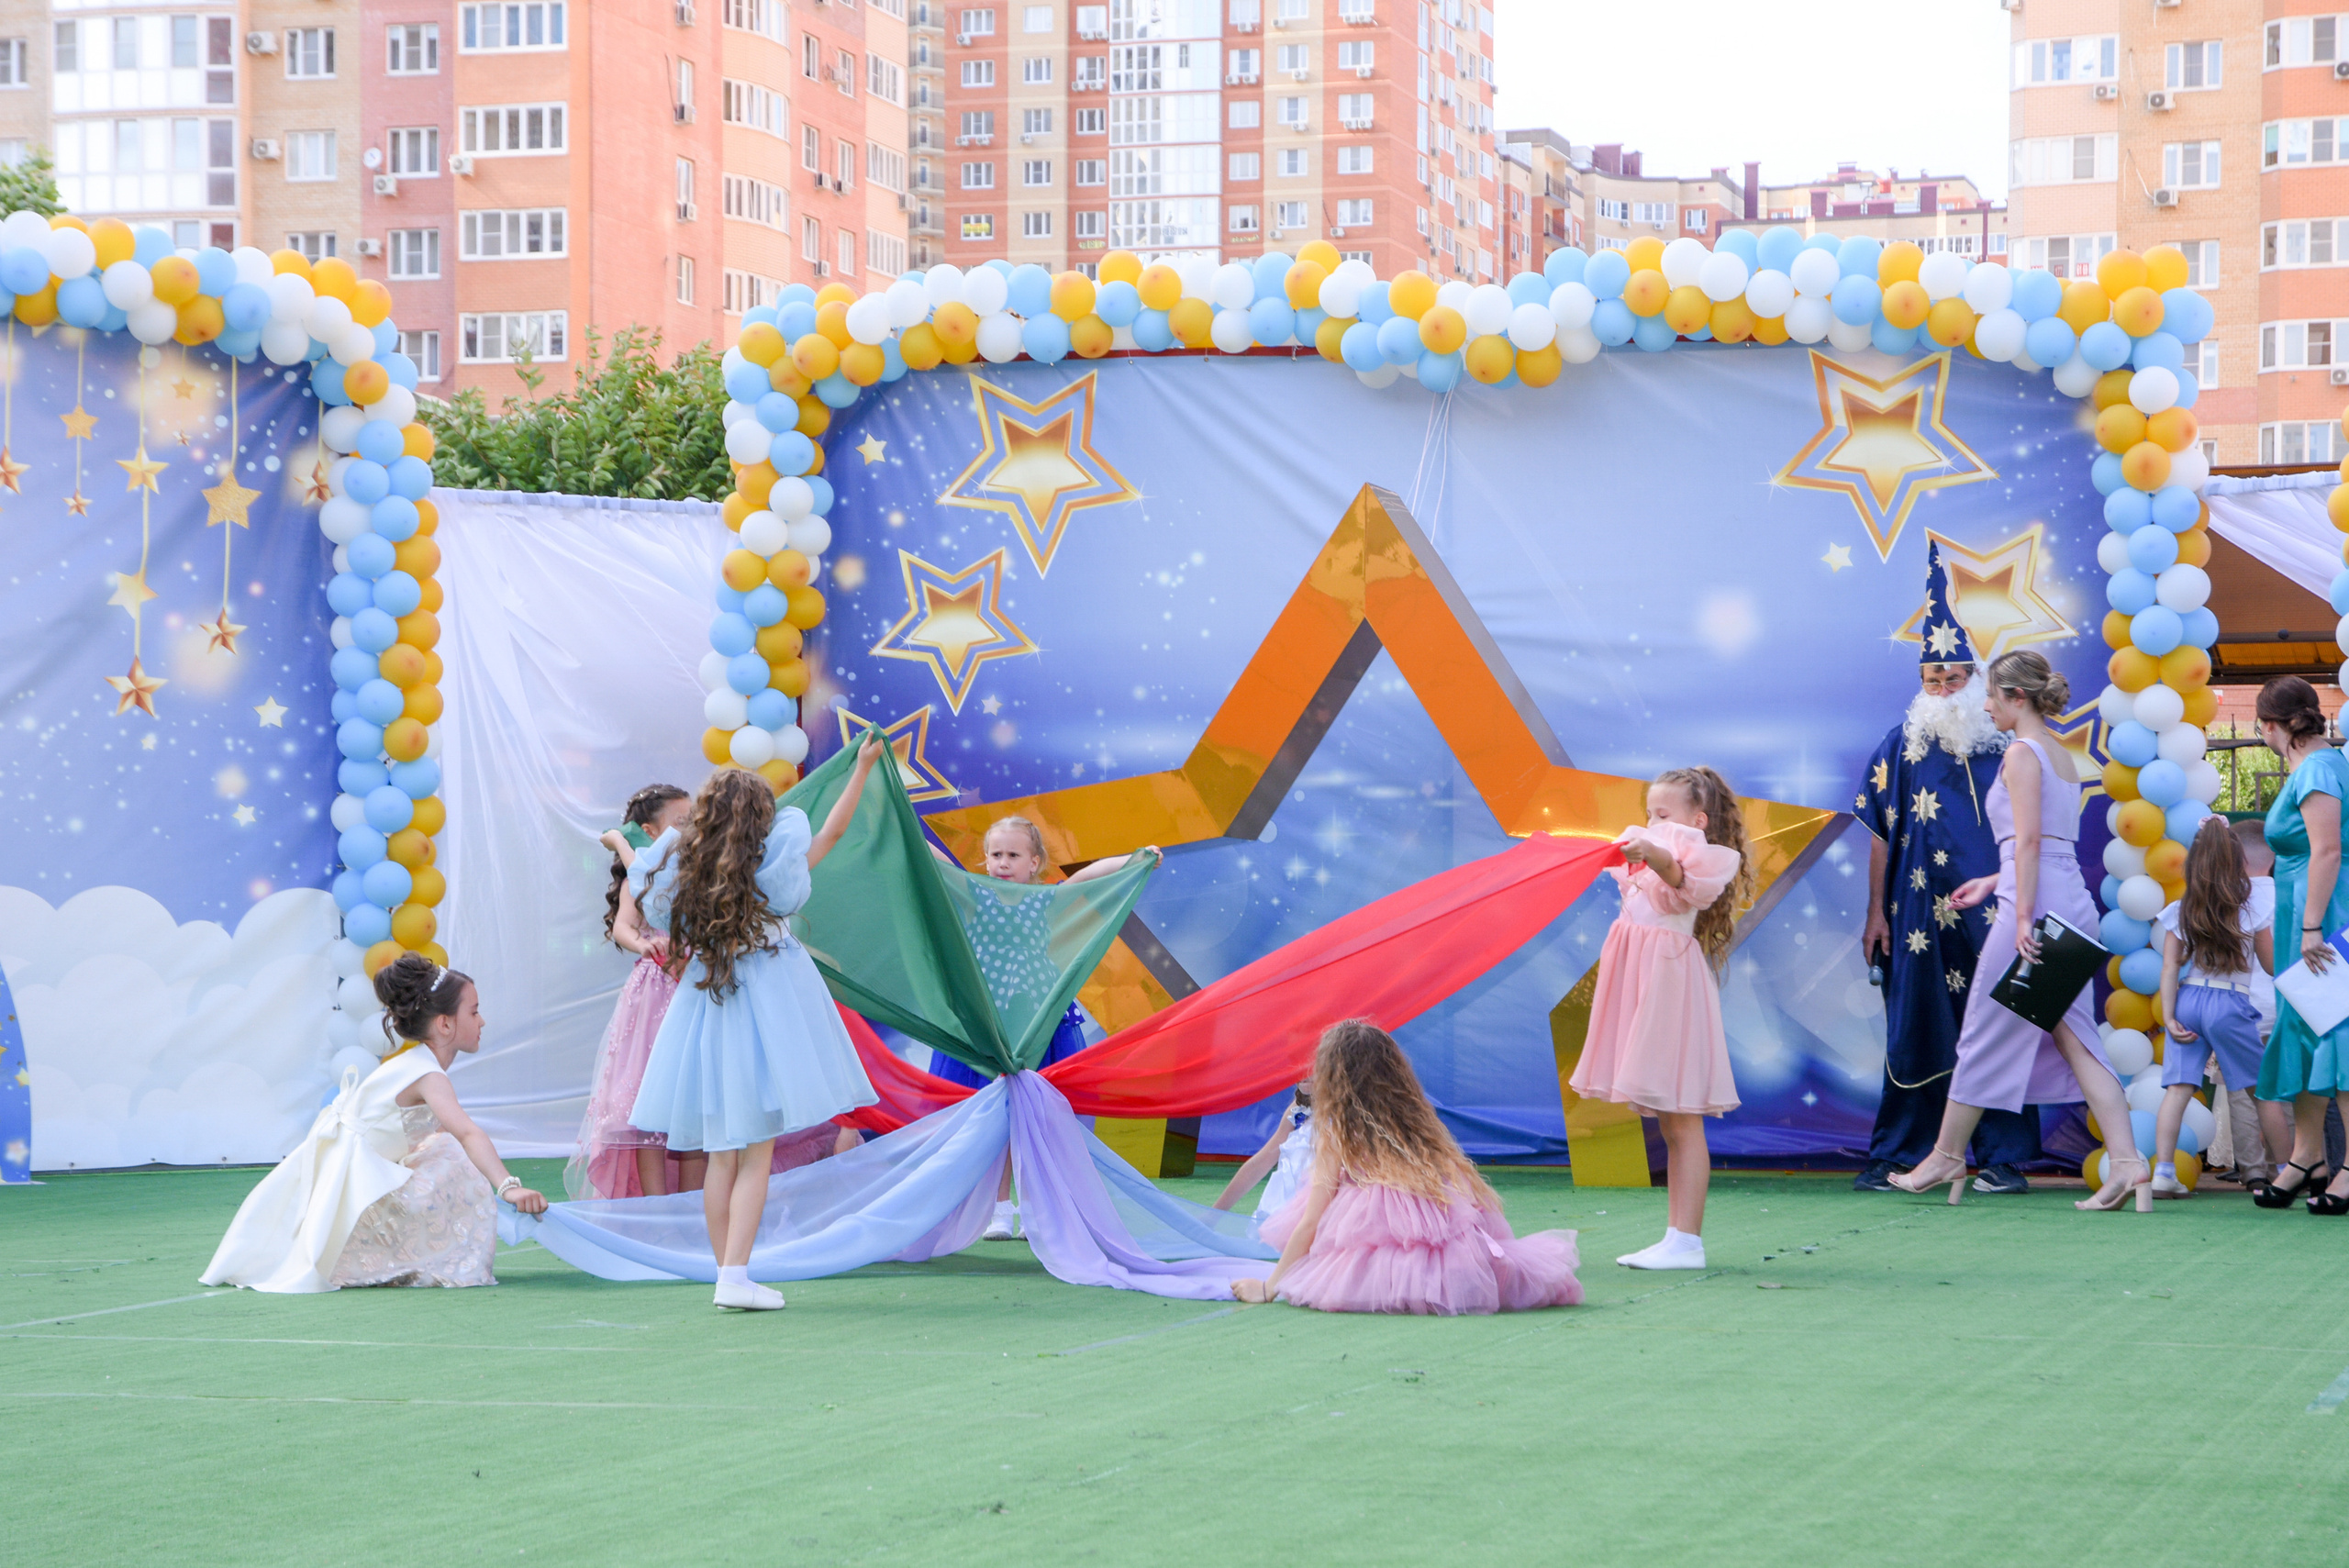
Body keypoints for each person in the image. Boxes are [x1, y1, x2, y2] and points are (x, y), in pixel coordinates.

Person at [628, 739, 886, 1310]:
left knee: (725, 1152)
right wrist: (862, 768)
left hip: (709, 1009)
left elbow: (646, 888)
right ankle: (734, 1275)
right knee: (755, 1153)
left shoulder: (687, 878)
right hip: (768, 1012)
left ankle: (729, 1273)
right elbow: (833, 836)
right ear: (762, 821)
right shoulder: (775, 871)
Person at [1890, 651, 2143, 1211]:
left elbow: (2029, 843)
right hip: (2063, 897)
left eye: (1991, 696)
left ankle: (1947, 1154)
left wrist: (2022, 916)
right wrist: (1990, 881)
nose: (1984, 706)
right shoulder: (2058, 754)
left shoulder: (2023, 754)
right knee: (2075, 1037)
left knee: (1983, 1028)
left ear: (2016, 698)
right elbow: (2042, 844)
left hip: (2037, 906)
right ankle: (2128, 1164)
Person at [1853, 546, 2040, 1195]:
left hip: (1994, 912)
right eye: (1931, 680)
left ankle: (2002, 1157)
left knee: (1998, 1024)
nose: (1940, 692)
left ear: (1975, 677)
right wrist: (1875, 911)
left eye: (1952, 679)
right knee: (1917, 1026)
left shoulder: (2012, 750)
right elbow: (1878, 830)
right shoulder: (1898, 745)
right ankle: (1900, 1153)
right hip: (1914, 919)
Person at [202, 955, 548, 1293]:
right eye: (473, 1012)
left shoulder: (419, 1065)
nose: (482, 1021)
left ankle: (415, 1253)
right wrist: (508, 1187)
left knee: (444, 1148)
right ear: (445, 1023)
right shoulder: (426, 1074)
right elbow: (468, 1132)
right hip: (352, 1182)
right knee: (455, 1158)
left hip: (359, 1172)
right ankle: (427, 1259)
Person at [1230, 1020, 1580, 1316]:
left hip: (1378, 1236)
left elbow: (1311, 1221)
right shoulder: (1411, 1122)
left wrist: (1269, 1286)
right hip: (1444, 1236)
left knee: (1340, 1258)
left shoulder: (1337, 1129)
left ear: (1333, 1077)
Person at [927, 816, 1158, 1240]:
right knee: (993, 1114)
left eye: (1013, 855)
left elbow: (1087, 877)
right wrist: (895, 825)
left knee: (1033, 1116)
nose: (1002, 863)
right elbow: (936, 861)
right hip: (987, 1020)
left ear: (1035, 863)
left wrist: (1134, 859)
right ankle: (997, 1209)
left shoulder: (1044, 901)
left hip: (1035, 1018)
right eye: (995, 854)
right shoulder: (976, 895)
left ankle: (1037, 1208)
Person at [1568, 765, 1753, 1271]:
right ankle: (1677, 1237)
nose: (1652, 822)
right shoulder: (1648, 850)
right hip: (1642, 977)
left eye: (1664, 813)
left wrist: (1652, 849)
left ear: (1697, 818)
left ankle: (1687, 1241)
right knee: (1671, 1122)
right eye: (1649, 813)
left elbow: (1678, 876)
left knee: (1681, 1115)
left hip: (1667, 984)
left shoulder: (1695, 859)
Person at [568, 784, 699, 1200]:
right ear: (650, 829)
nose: (689, 828)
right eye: (681, 822)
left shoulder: (698, 871)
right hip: (656, 994)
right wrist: (643, 943)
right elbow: (624, 925)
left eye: (693, 820)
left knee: (695, 1103)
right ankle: (658, 1212)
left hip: (696, 984)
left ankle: (693, 1210)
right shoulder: (640, 876)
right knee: (647, 1110)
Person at [2250, 676, 2349, 1213]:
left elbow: (2327, 851)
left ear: (2277, 724)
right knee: (2308, 1032)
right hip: (2306, 914)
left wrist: (2312, 928)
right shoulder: (2326, 764)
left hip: (2322, 915)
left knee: (2337, 1034)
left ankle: (2346, 1165)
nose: (2264, 736)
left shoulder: (2315, 768)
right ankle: (2307, 1157)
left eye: (2265, 727)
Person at [2151, 818, 2277, 1198]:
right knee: (2262, 1093)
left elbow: (2170, 966)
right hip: (2230, 1002)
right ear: (2236, 861)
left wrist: (2169, 1017)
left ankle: (2163, 1172)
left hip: (2188, 999)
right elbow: (2271, 966)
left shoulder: (2181, 909)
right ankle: (2288, 1169)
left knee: (2178, 1089)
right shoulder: (2251, 906)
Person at [1210, 1084, 1313, 1233]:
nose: (1303, 1072)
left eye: (1312, 1064)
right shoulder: (1300, 1108)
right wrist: (1212, 1216)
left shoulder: (1349, 1109)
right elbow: (1262, 1161)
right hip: (1291, 1214)